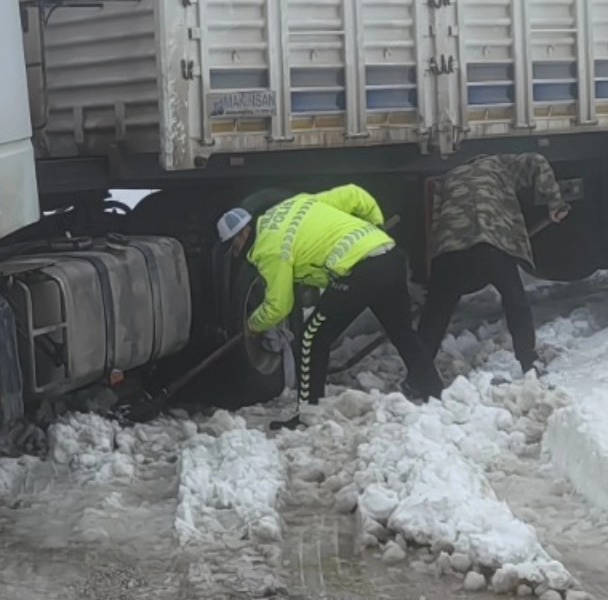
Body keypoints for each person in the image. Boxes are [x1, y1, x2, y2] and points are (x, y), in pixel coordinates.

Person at [218, 186, 443, 411]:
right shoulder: (292, 205)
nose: (236, 252)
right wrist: (376, 227)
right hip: (388, 255)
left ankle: (309, 411)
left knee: (311, 337)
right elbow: (354, 195)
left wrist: (254, 325)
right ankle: (432, 389)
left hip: (359, 270)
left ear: (243, 233)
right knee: (401, 330)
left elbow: (278, 306)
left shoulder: (268, 248)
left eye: (234, 245)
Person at [416, 154, 569, 374]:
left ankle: (418, 374)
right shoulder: (501, 165)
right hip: (490, 242)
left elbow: (437, 222)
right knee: (516, 302)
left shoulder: (449, 177)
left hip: (451, 247)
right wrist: (555, 203)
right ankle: (528, 362)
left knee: (435, 312)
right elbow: (537, 161)